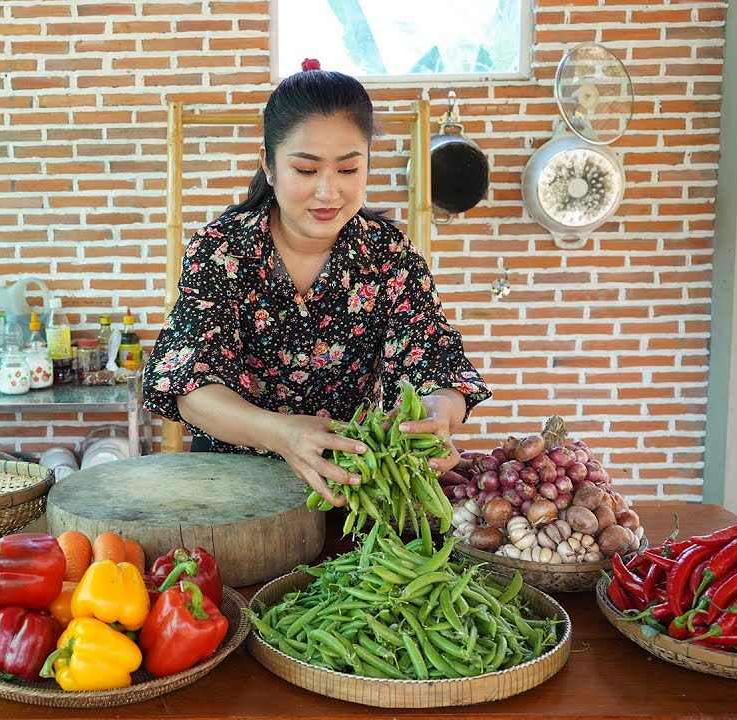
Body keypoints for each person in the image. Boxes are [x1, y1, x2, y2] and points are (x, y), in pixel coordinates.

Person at [142, 59, 490, 505]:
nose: (328, 192)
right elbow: (190, 382)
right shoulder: (222, 250)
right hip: (231, 490)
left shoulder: (390, 256)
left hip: (353, 488)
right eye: (306, 171)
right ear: (269, 165)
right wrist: (281, 433)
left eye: (348, 170)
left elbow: (435, 364)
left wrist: (439, 413)